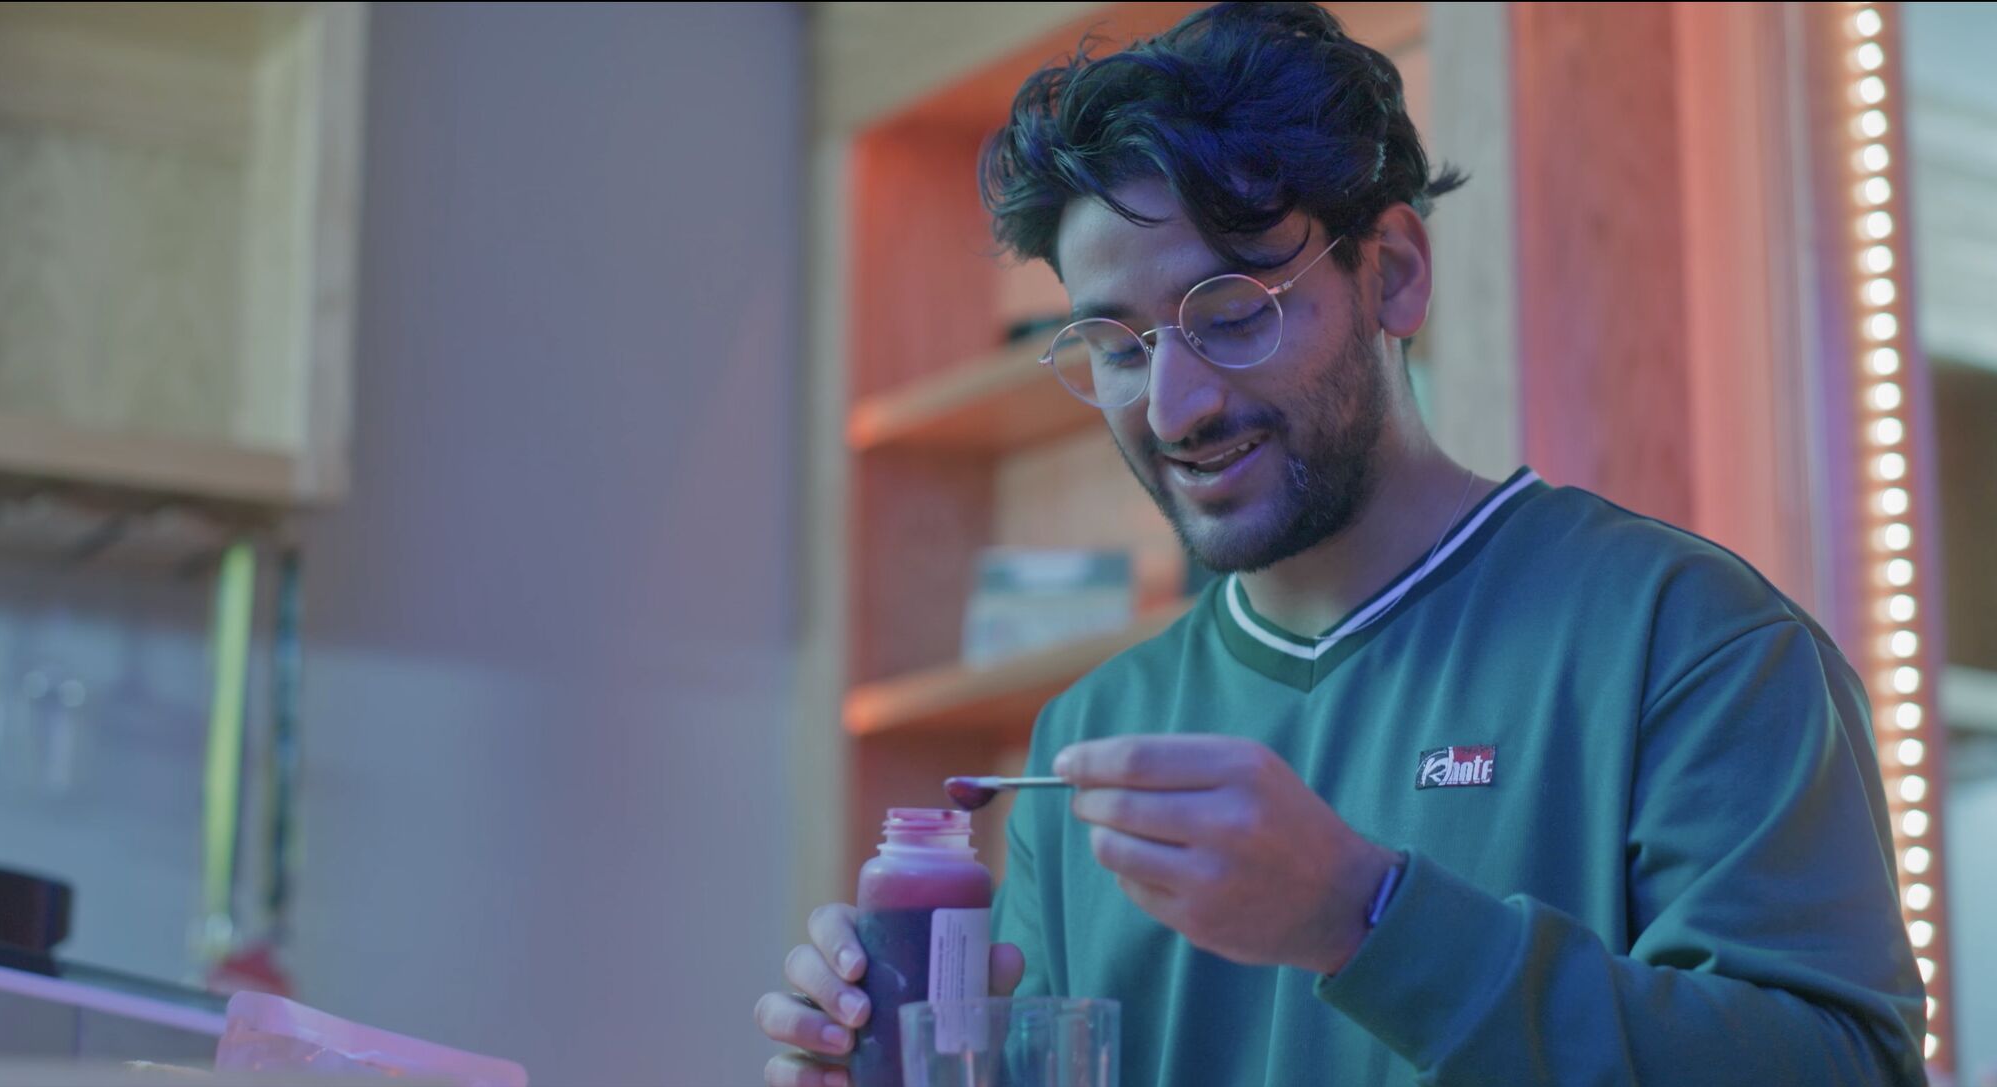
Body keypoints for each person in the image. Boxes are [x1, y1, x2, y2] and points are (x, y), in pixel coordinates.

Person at [756, 4, 1928, 1084]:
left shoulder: (1689, 640)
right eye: (1116, 346)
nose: (1175, 407)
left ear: (1396, 276)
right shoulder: (1087, 735)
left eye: (1229, 314)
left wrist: (1367, 919)